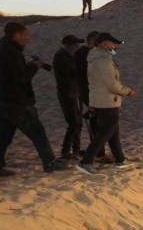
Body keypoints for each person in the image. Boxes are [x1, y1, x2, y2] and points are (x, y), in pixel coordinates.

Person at [0, 22, 56, 178]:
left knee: (3, 136)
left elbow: (9, 75)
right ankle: (50, 161)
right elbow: (21, 77)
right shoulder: (11, 52)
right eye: (25, 36)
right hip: (15, 102)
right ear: (16, 35)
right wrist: (34, 66)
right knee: (37, 131)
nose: (27, 39)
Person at [76, 32, 136, 174]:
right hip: (107, 101)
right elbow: (112, 83)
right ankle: (86, 161)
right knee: (106, 132)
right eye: (114, 43)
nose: (116, 46)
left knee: (112, 132)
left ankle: (120, 160)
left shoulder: (98, 57)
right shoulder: (103, 60)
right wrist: (127, 91)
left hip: (102, 100)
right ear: (104, 44)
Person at [75, 30, 108, 161]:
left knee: (97, 123)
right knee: (96, 123)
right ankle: (98, 153)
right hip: (90, 94)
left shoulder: (87, 54)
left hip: (91, 93)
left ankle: (98, 152)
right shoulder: (85, 55)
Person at [53, 34, 85, 159]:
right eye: (75, 45)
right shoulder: (60, 57)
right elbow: (73, 72)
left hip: (76, 92)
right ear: (69, 45)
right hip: (67, 94)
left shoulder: (71, 56)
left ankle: (76, 148)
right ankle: (65, 150)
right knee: (73, 123)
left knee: (79, 122)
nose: (78, 47)